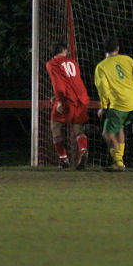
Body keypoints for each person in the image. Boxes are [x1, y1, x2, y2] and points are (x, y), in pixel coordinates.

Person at [94, 36, 133, 171]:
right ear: (117, 48)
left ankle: (118, 159)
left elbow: (103, 89)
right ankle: (120, 160)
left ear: (104, 49)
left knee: (107, 134)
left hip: (119, 105)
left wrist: (103, 108)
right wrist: (127, 84)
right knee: (119, 127)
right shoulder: (127, 59)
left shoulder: (101, 67)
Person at [45, 41, 90, 170]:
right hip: (81, 98)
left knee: (55, 125)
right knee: (77, 129)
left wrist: (59, 101)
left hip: (66, 99)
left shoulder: (51, 64)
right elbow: (72, 80)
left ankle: (63, 159)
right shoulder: (73, 62)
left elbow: (58, 84)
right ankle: (83, 149)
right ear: (64, 50)